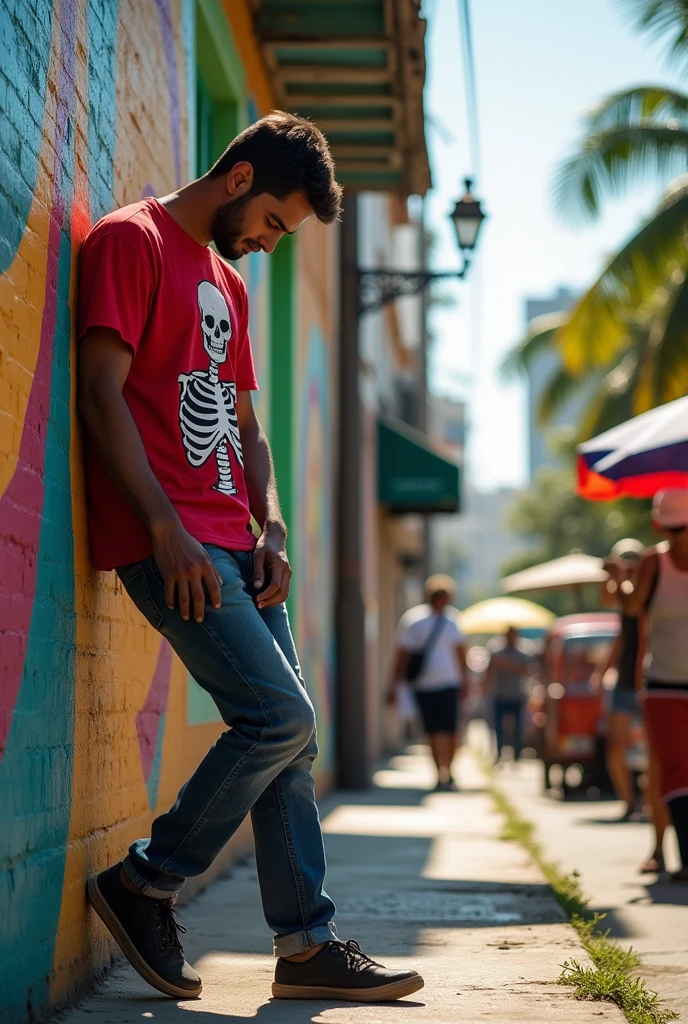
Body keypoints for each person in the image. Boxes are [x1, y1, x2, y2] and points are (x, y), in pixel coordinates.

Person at [78, 111, 423, 1003]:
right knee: (281, 721)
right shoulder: (132, 240)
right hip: (176, 544)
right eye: (272, 223)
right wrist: (164, 530)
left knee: (290, 745)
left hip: (240, 545)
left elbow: (247, 429)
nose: (270, 243)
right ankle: (144, 880)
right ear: (239, 180)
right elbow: (101, 395)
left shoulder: (227, 286)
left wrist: (270, 528)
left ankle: (305, 945)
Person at [614, 490, 688, 882]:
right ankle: (668, 850)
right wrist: (621, 583)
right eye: (669, 529)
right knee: (667, 768)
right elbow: (631, 607)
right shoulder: (652, 562)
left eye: (682, 529)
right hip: (663, 682)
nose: (676, 537)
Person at [387, 575, 468, 791]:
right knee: (432, 731)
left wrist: (465, 682)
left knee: (451, 730)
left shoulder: (453, 621)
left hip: (449, 683)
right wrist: (394, 684)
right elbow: (402, 655)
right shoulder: (414, 620)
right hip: (423, 685)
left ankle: (448, 771)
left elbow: (461, 654)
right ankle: (439, 773)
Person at [593, 539, 645, 823]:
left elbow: (633, 604)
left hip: (653, 677)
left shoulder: (650, 585)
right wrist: (602, 671)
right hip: (626, 680)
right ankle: (630, 803)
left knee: (656, 753)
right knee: (616, 749)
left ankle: (652, 804)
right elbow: (610, 601)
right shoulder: (622, 588)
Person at [484, 627, 532, 763]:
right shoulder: (496, 652)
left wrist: (507, 665)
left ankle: (517, 754)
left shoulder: (523, 653)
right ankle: (499, 754)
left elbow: (527, 671)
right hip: (499, 694)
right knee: (498, 727)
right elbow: (489, 672)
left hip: (517, 695)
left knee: (518, 728)